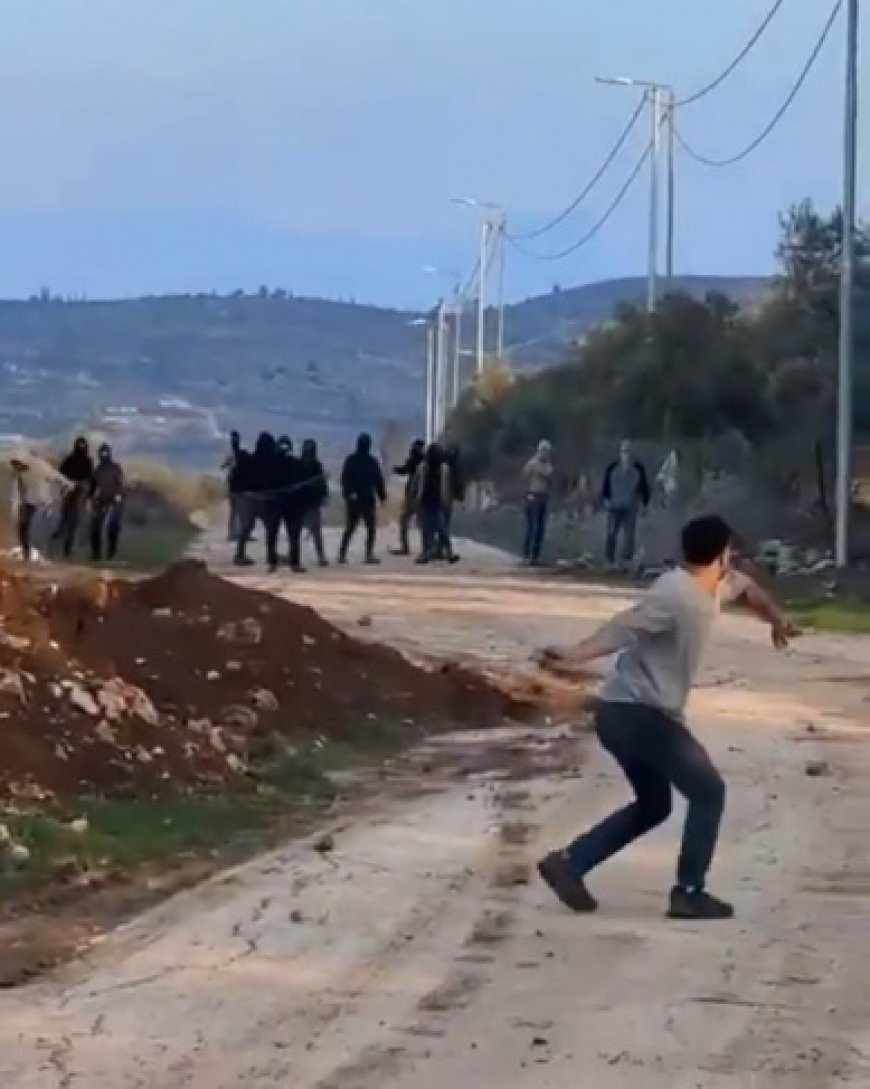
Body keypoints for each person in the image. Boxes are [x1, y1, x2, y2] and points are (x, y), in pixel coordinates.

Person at [536, 515, 796, 921]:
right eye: (730, 552)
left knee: (655, 804)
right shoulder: (675, 593)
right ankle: (689, 892)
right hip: (637, 715)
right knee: (708, 792)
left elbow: (747, 588)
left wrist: (776, 619)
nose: (733, 560)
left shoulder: (710, 586)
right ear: (722, 554)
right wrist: (574, 654)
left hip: (626, 715)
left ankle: (570, 864)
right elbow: (624, 627)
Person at [600, 439, 650, 569]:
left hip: (630, 506)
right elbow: (606, 485)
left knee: (629, 535)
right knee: (611, 533)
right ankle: (609, 560)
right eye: (624, 451)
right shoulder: (612, 467)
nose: (626, 454)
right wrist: (605, 499)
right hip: (614, 506)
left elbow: (644, 487)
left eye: (628, 451)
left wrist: (645, 504)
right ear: (620, 453)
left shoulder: (638, 469)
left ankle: (626, 561)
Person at [338, 432, 386, 565]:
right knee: (369, 528)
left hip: (355, 499)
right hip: (366, 498)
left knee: (351, 528)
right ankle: (368, 555)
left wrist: (348, 494)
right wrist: (382, 496)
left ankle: (342, 554)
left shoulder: (351, 460)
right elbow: (378, 481)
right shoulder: (371, 461)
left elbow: (344, 479)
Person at [236, 432, 280, 570]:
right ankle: (271, 554)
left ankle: (240, 554)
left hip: (250, 498)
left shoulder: (252, 461)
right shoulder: (271, 462)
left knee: (247, 527)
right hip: (261, 499)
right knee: (268, 528)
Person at [412, 443, 458, 565]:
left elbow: (415, 484)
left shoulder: (437, 468)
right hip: (429, 502)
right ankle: (431, 553)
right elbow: (448, 486)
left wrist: (413, 497)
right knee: (437, 529)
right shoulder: (435, 468)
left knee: (434, 530)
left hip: (434, 502)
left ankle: (435, 553)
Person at [53, 436, 94, 559]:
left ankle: (64, 540)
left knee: (70, 518)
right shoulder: (79, 460)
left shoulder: (75, 459)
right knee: (71, 518)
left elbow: (60, 473)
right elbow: (90, 478)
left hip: (75, 489)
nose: (81, 448)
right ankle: (64, 542)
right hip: (75, 489)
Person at [89, 443, 125, 562]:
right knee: (95, 527)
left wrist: (119, 495)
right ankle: (96, 554)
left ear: (109, 453)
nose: (103, 455)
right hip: (101, 500)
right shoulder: (98, 469)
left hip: (115, 500)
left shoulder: (116, 468)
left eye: (105, 453)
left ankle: (111, 552)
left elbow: (121, 484)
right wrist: (89, 498)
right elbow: (93, 487)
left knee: (112, 527)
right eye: (102, 453)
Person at [275, 435, 306, 573]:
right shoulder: (295, 463)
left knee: (274, 533)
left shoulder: (272, 464)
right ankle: (294, 562)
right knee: (293, 534)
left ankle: (273, 561)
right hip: (291, 503)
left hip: (277, 502)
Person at [521, 440, 554, 566]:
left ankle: (535, 555)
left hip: (543, 496)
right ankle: (527, 554)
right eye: (543, 450)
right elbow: (525, 475)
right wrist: (526, 493)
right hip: (533, 495)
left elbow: (549, 474)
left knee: (540, 528)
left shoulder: (547, 464)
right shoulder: (532, 463)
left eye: (547, 451)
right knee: (532, 527)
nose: (545, 453)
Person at [390, 438, 425, 557]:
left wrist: (394, 469)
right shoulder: (425, 461)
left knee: (405, 520)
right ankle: (428, 547)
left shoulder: (414, 460)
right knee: (423, 522)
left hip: (412, 495)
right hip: (423, 496)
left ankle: (405, 547)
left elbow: (403, 470)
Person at [299, 438, 329, 567]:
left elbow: (321, 483)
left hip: (307, 503)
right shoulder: (313, 465)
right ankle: (320, 556)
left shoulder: (308, 465)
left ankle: (320, 556)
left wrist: (323, 495)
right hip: (305, 503)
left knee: (314, 531)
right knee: (315, 532)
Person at [10, 458, 37, 561]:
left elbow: (23, 493)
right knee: (23, 529)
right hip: (27, 505)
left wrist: (23, 507)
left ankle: (26, 554)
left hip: (27, 505)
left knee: (23, 529)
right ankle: (26, 553)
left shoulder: (23, 477)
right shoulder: (24, 476)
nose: (14, 469)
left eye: (15, 467)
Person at [222, 430, 245, 542]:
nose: (235, 441)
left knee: (239, 511)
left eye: (236, 439)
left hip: (238, 486)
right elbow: (224, 465)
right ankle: (232, 533)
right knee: (235, 510)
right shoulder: (233, 454)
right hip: (235, 486)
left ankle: (238, 532)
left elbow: (223, 466)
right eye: (233, 439)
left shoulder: (239, 454)